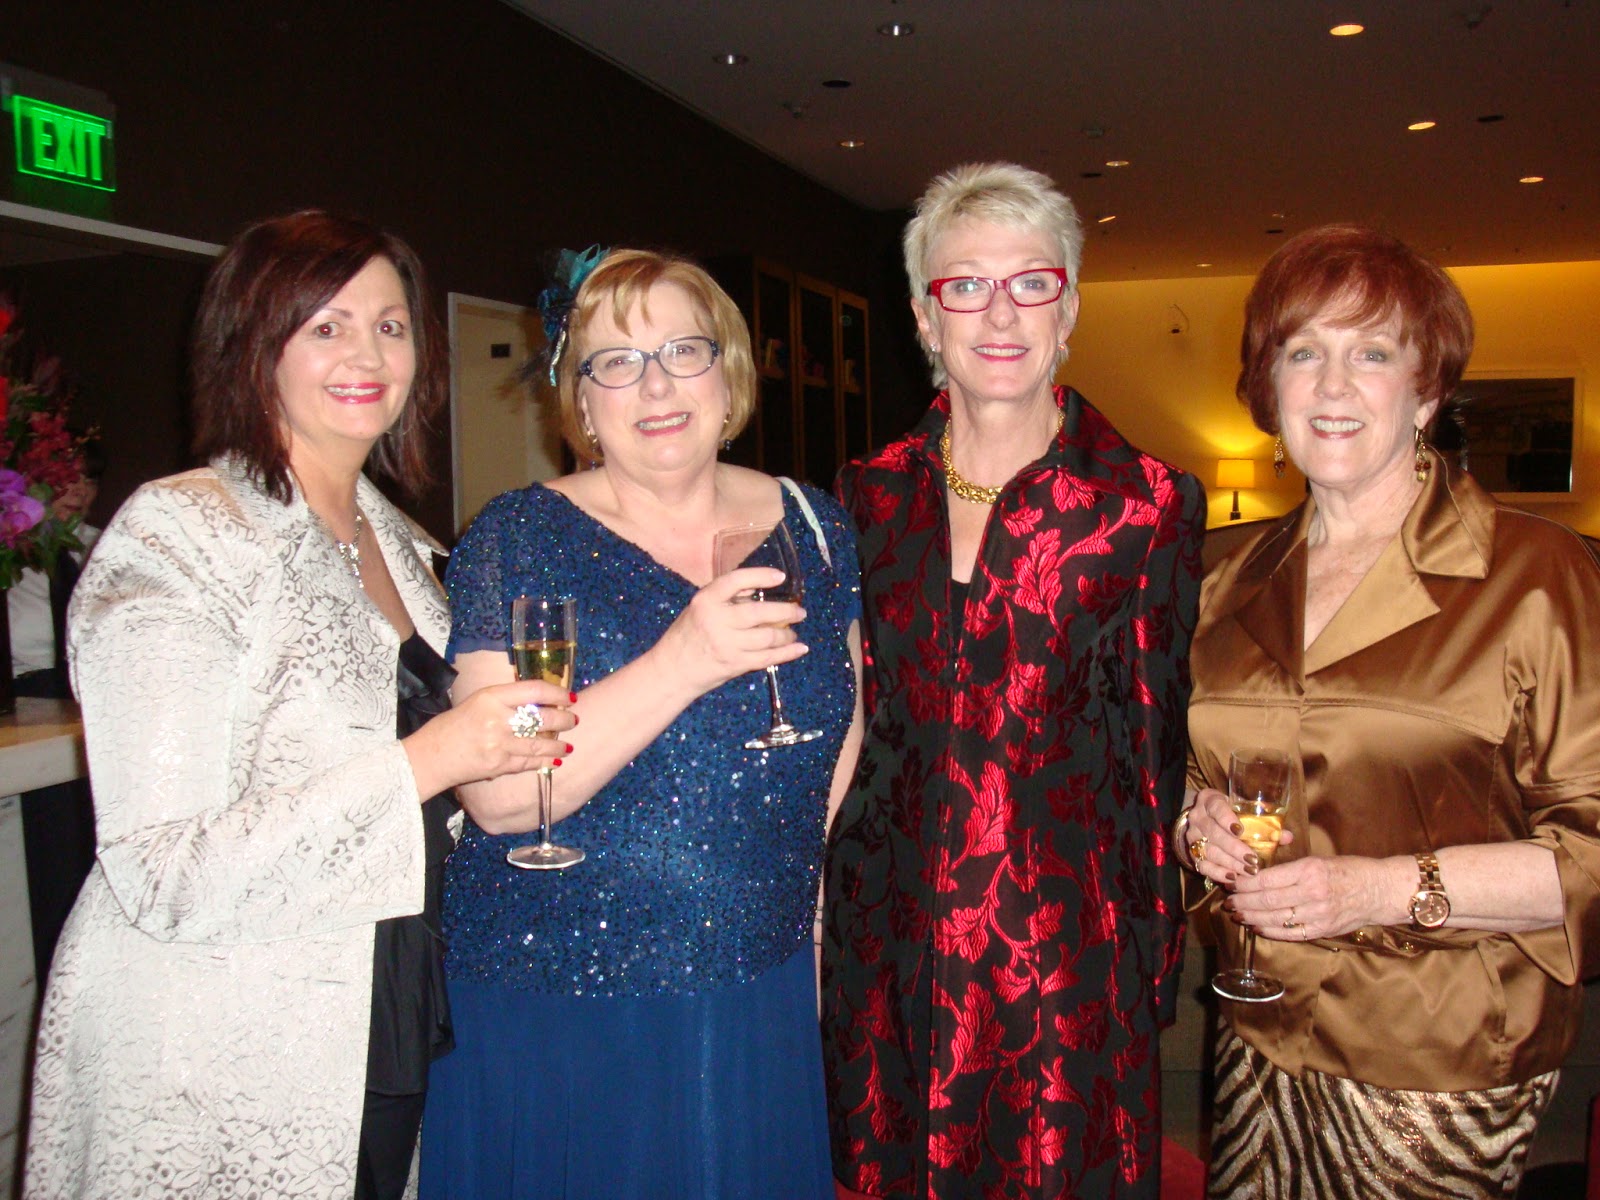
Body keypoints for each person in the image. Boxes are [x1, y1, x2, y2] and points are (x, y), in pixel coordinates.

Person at [24, 211, 574, 1200]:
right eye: (327, 326)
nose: (368, 354)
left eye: (390, 326)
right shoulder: (178, 535)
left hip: (387, 995)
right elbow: (163, 872)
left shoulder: (406, 546)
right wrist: (435, 757)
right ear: (253, 343)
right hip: (221, 1040)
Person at [419, 248, 864, 1199]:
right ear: (581, 402)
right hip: (564, 996)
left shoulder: (816, 524)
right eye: (616, 362)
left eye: (683, 351)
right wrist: (681, 662)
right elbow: (499, 797)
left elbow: (841, 736)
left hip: (763, 978)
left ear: (728, 373)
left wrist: (820, 924)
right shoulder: (516, 537)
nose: (656, 385)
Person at [1178, 224, 1600, 1198]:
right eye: (1302, 353)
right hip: (1257, 1036)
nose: (1332, 386)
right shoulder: (1223, 579)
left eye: (1371, 353)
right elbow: (1194, 778)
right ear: (1267, 385)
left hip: (1437, 1056)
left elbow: (1590, 849)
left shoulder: (1537, 575)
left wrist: (1370, 891)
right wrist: (1194, 826)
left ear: (1427, 391)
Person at [820, 161, 1206, 1199]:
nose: (1000, 313)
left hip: (1061, 950)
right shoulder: (861, 498)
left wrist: (1149, 959)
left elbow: (1153, 751)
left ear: (1068, 309)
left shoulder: (1146, 503)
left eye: (1031, 283)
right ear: (923, 315)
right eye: (966, 285)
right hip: (886, 938)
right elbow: (847, 722)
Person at [15, 437, 104, 983]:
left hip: (94, 702)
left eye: (88, 478)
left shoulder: (106, 546)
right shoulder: (15, 553)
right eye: (66, 477)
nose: (79, 490)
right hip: (30, 704)